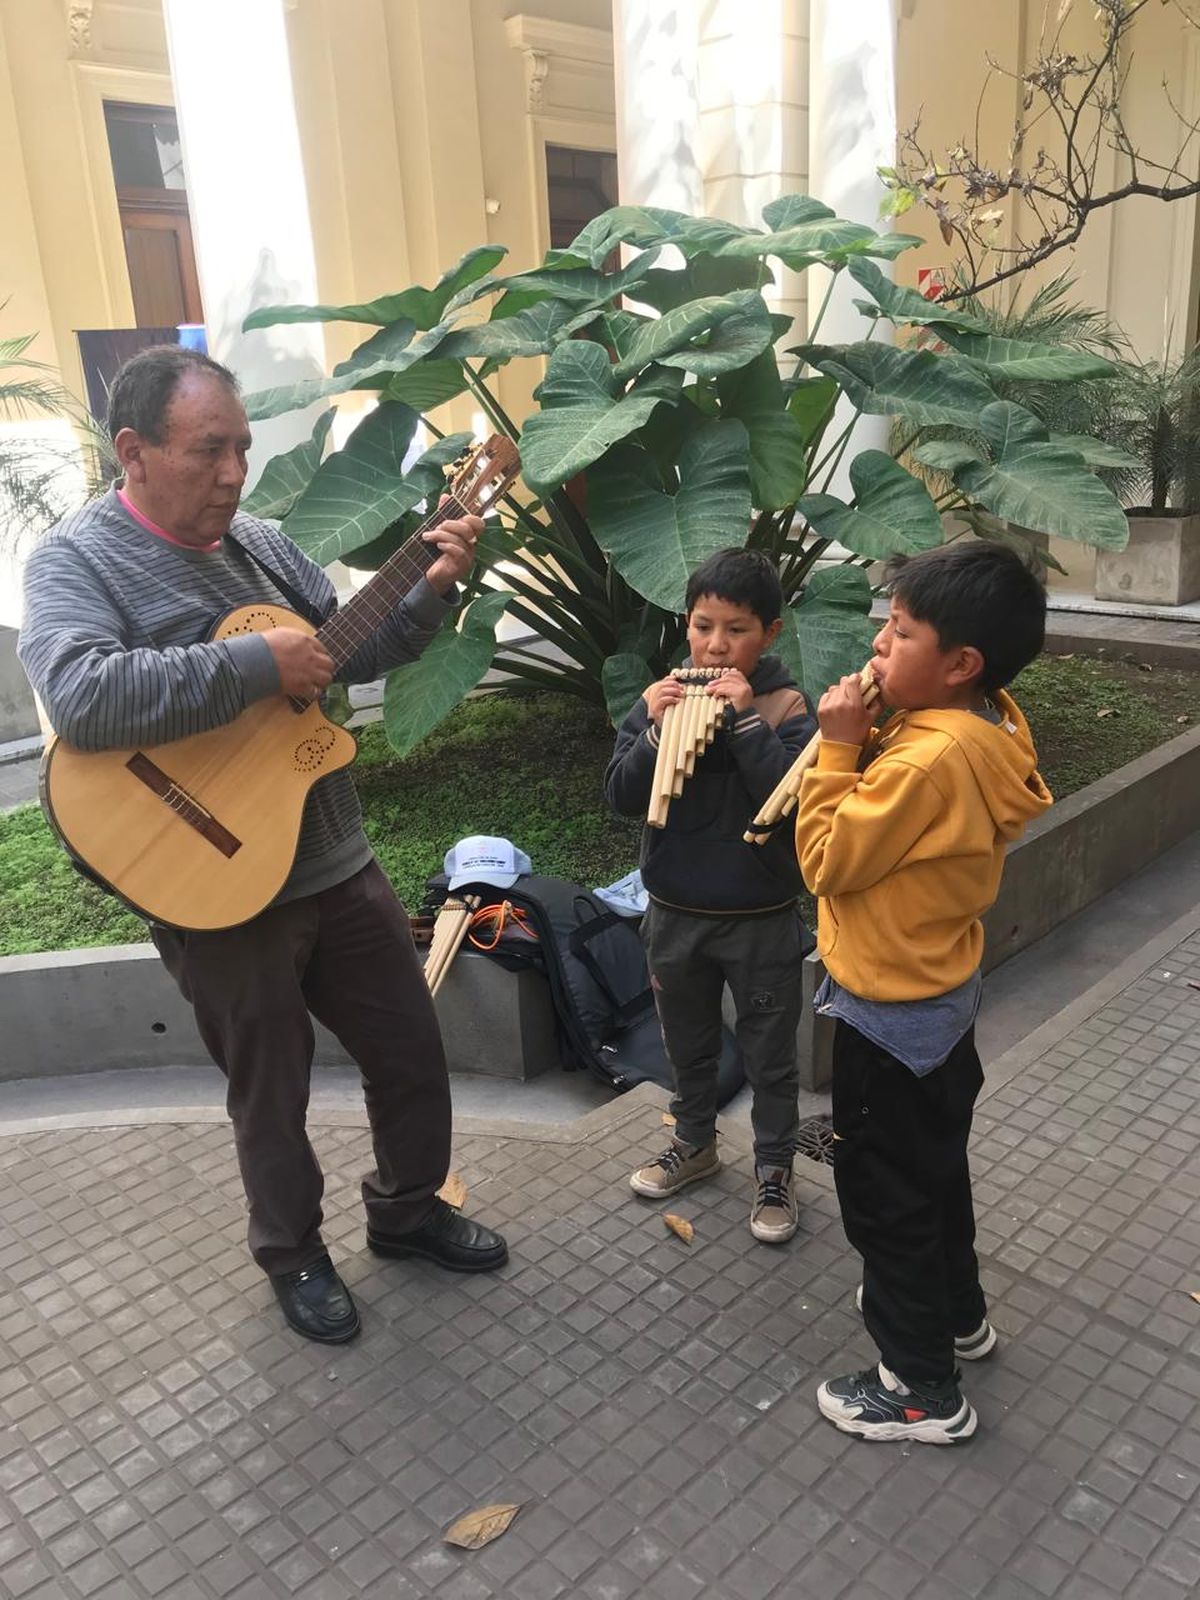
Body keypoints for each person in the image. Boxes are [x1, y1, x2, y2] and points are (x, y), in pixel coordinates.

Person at [18, 345, 507, 1345]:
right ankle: (293, 1254)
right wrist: (251, 660)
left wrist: (426, 591)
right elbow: (81, 695)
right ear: (134, 451)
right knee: (269, 1089)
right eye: (210, 450)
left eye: (243, 447)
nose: (235, 472)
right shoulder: (76, 562)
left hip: (329, 853)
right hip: (210, 886)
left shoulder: (266, 545)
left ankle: (409, 1209)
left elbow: (339, 650)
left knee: (410, 1047)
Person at [795, 540, 1052, 1444]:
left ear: (960, 664)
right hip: (941, 998)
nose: (876, 648)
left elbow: (826, 861)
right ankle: (956, 1313)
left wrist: (834, 750)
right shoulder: (982, 727)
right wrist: (882, 714)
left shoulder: (918, 764)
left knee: (884, 1194)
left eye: (898, 633)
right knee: (933, 1168)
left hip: (889, 1010)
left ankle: (919, 1389)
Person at [605, 547, 818, 1243]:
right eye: (702, 626)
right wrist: (655, 731)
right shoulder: (662, 699)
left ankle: (776, 1169)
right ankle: (694, 1143)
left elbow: (791, 806)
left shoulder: (787, 709)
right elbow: (622, 796)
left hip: (759, 919)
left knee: (770, 1055)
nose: (716, 644)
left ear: (771, 633)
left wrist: (748, 721)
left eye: (736, 629)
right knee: (687, 1044)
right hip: (674, 914)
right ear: (686, 625)